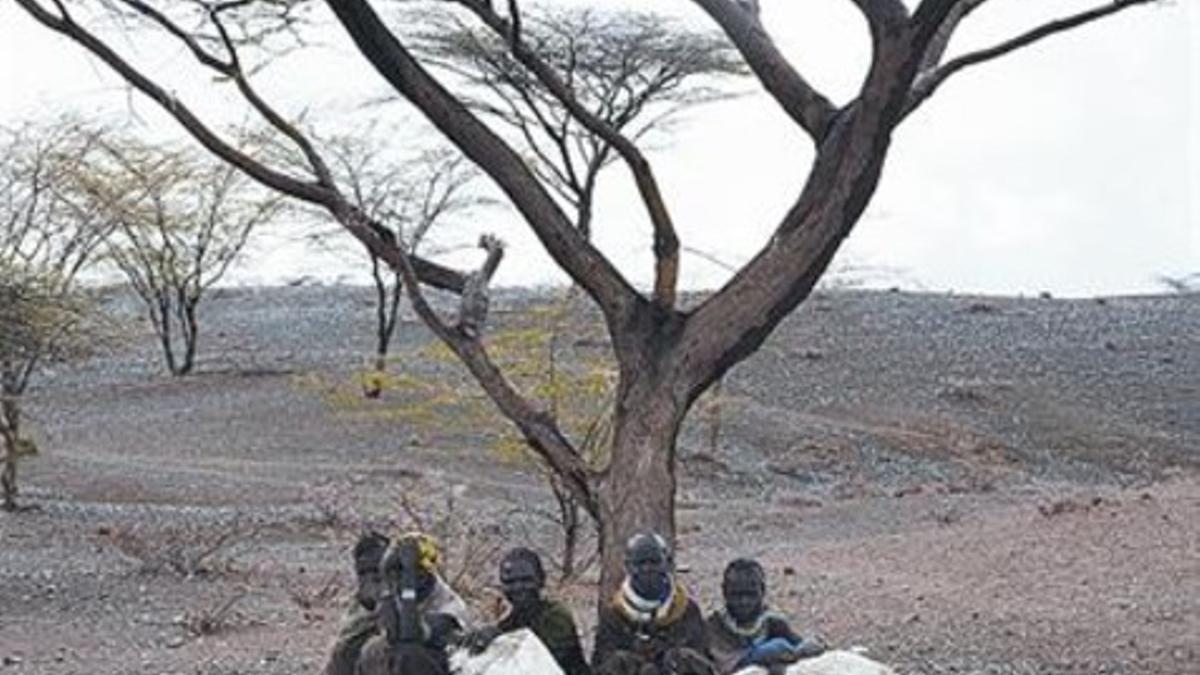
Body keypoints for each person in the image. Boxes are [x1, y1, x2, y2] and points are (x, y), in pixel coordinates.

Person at [324, 532, 473, 675]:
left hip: (438, 664)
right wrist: (386, 585)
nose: (373, 580)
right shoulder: (390, 590)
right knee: (351, 650)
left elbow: (410, 634)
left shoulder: (448, 606)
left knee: (407, 654)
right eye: (364, 573)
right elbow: (390, 633)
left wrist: (409, 580)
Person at [593, 532, 717, 675]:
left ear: (667, 564)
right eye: (641, 563)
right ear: (628, 566)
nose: (647, 569)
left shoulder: (686, 610)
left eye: (654, 562)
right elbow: (600, 667)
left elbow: (706, 665)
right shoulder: (614, 615)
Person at [466, 547, 590, 675]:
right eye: (510, 582)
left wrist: (498, 641)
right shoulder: (509, 624)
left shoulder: (557, 616)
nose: (518, 587)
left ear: (541, 580)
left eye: (526, 580)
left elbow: (540, 662)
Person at [704, 559, 824, 675]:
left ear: (762, 591)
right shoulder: (714, 626)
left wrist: (805, 648)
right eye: (736, 595)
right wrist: (759, 656)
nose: (744, 602)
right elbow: (722, 666)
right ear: (724, 592)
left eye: (751, 594)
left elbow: (800, 646)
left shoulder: (771, 622)